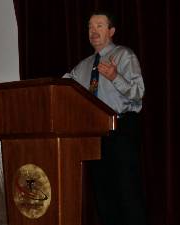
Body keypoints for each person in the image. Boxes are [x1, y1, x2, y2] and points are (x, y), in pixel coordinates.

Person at [63, 11, 147, 225]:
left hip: (120, 129)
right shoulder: (82, 67)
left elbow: (139, 92)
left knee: (127, 194)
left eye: (99, 25)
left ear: (111, 31)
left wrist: (115, 77)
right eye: (90, 27)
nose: (93, 30)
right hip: (93, 134)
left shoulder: (124, 56)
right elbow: (62, 87)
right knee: (103, 197)